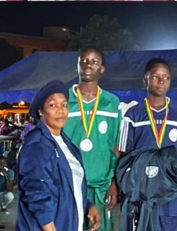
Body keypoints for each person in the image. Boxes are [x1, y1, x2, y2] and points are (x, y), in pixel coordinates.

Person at [16, 80, 100, 231]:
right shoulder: (37, 144)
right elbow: (36, 190)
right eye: (53, 105)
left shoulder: (67, 145)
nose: (60, 110)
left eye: (64, 104)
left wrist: (88, 206)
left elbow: (69, 186)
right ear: (41, 111)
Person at [118, 58, 177, 231]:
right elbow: (124, 153)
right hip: (142, 190)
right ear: (145, 81)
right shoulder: (133, 114)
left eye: (166, 77)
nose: (161, 81)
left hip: (169, 188)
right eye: (156, 77)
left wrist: (169, 163)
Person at [62, 46, 120, 231]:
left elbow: (115, 146)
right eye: (84, 60)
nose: (88, 64)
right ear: (77, 66)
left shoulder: (111, 102)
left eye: (94, 61)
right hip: (69, 184)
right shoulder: (63, 100)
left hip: (101, 186)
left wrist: (114, 182)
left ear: (101, 69)